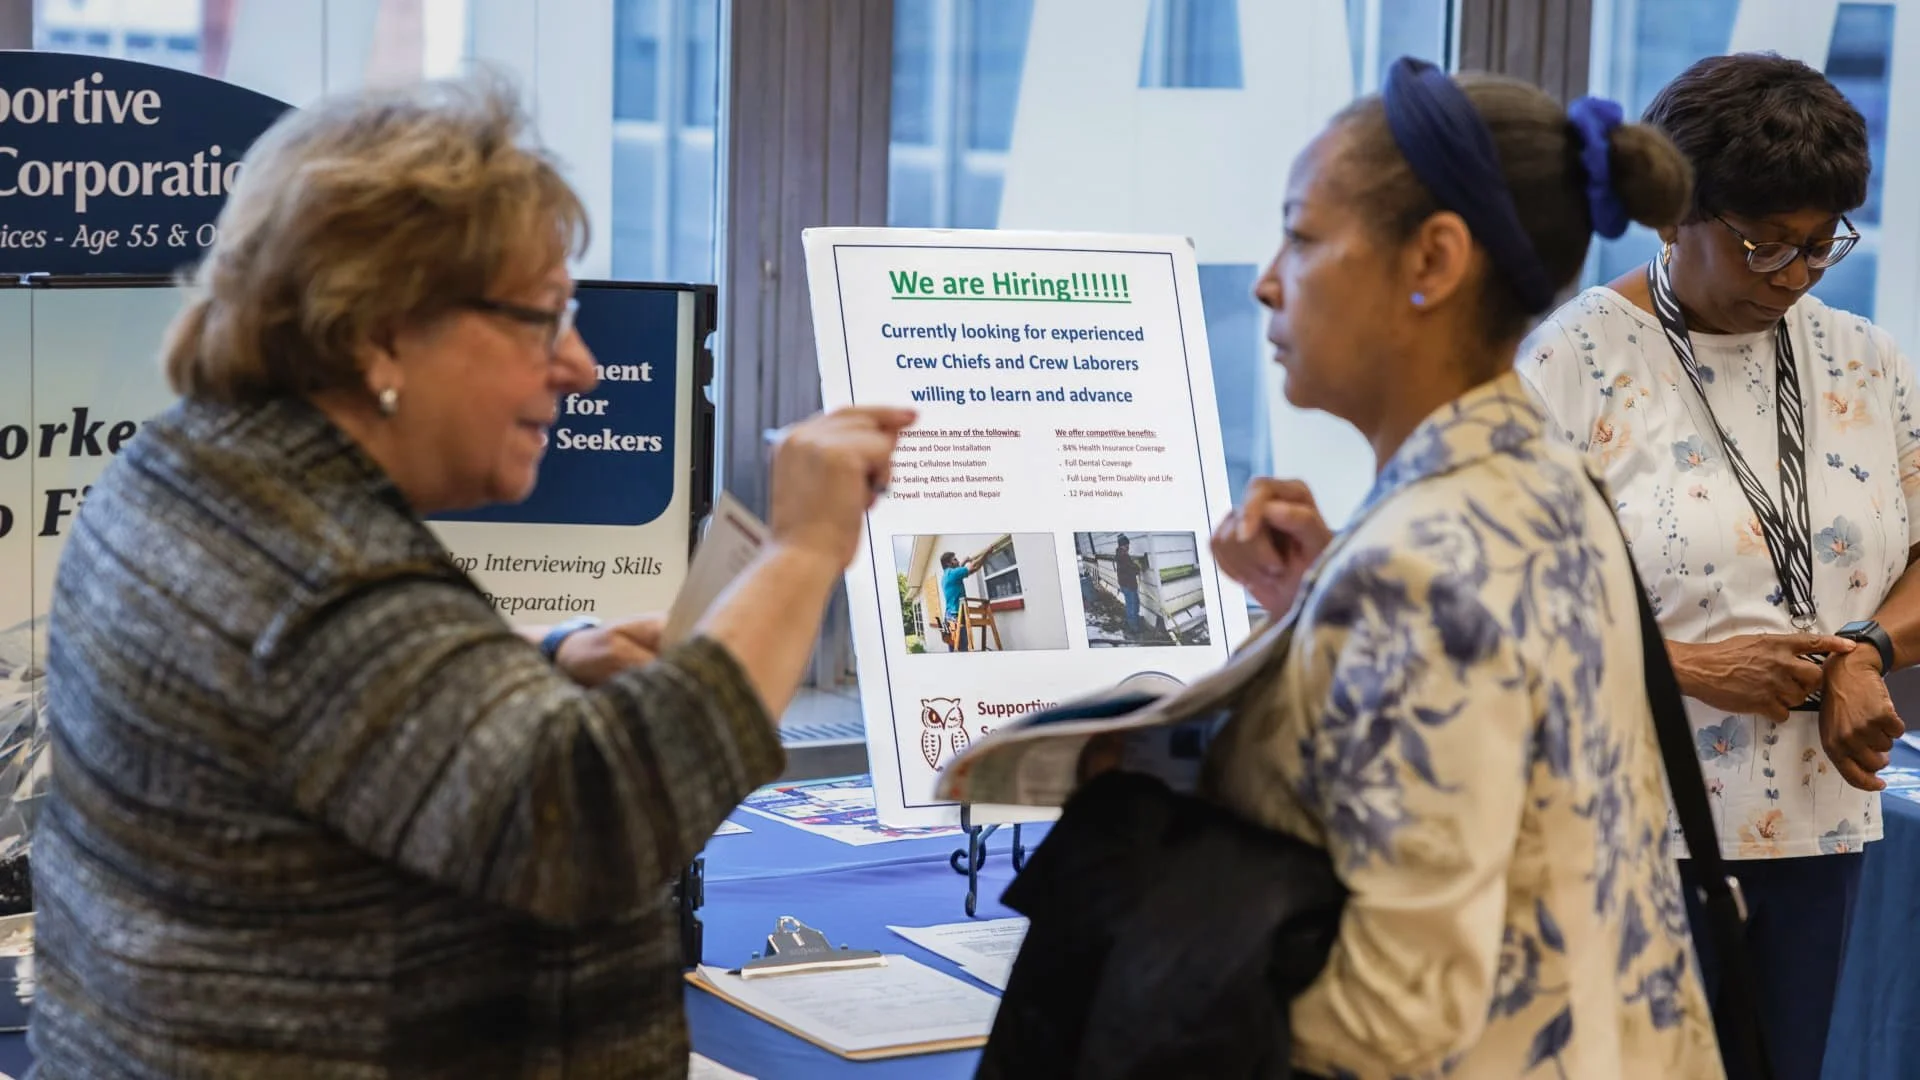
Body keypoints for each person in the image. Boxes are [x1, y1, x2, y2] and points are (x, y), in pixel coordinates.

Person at [27, 74, 912, 1079]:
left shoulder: (193, 472)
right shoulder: (312, 570)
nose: (579, 365)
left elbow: (315, 722)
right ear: (379, 329)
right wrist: (801, 553)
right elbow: (600, 821)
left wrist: (534, 667)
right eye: (542, 316)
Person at [1203, 58, 1724, 1077]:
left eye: (1302, 237)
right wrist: (1307, 607)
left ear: (1433, 261)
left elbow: (1394, 1016)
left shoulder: (1415, 571)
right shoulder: (1550, 479)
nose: (1268, 279)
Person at [1517, 52, 1911, 1080]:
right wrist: (1690, 670)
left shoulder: (1867, 359)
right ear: (1671, 214)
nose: (1792, 276)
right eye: (1763, 245)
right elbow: (1497, 605)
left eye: (1819, 246)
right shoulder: (1574, 361)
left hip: (1818, 826)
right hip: (1628, 830)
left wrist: (1865, 651)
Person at [939, 546, 991, 651]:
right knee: (962, 650)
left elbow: (958, 570)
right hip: (957, 617)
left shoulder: (946, 576)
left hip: (949, 618)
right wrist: (987, 552)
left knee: (954, 648)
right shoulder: (953, 574)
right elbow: (974, 567)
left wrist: (964, 561)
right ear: (949, 564)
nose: (957, 561)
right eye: (955, 559)